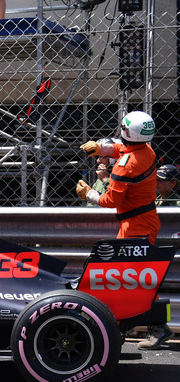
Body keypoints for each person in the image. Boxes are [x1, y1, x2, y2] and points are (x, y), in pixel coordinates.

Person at [76, 110, 168, 349]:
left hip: (136, 226)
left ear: (125, 132)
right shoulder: (147, 151)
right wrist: (102, 148)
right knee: (126, 277)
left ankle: (158, 328)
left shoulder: (124, 167)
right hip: (142, 221)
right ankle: (123, 325)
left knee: (138, 279)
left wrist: (90, 194)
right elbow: (126, 149)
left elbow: (111, 201)